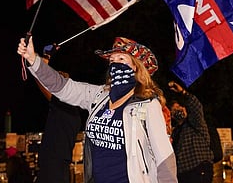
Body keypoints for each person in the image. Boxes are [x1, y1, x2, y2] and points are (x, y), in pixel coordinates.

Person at [17, 35, 177, 183]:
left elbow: (164, 157)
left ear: (136, 67)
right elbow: (62, 87)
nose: (115, 63)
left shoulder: (148, 105)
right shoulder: (98, 96)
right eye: (112, 60)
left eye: (122, 58)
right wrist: (33, 59)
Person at [35, 44, 82, 183]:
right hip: (59, 166)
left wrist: (46, 57)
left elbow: (41, 78)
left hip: (53, 166)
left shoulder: (64, 105)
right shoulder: (73, 111)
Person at [168, 81, 214, 183]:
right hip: (183, 175)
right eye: (174, 110)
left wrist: (183, 92)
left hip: (198, 169)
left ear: (185, 108)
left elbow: (196, 107)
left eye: (179, 107)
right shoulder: (175, 133)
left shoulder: (195, 124)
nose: (178, 110)